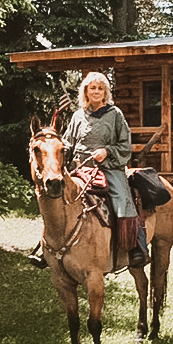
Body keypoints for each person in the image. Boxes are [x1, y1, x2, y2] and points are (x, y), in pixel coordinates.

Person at [30, 71, 150, 269]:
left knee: (122, 199)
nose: (96, 91)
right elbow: (67, 144)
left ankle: (136, 247)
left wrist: (107, 151)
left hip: (109, 168)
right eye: (92, 88)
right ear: (85, 91)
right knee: (58, 201)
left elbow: (125, 145)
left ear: (106, 92)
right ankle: (46, 247)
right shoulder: (78, 116)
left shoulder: (115, 115)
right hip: (80, 168)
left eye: (100, 88)